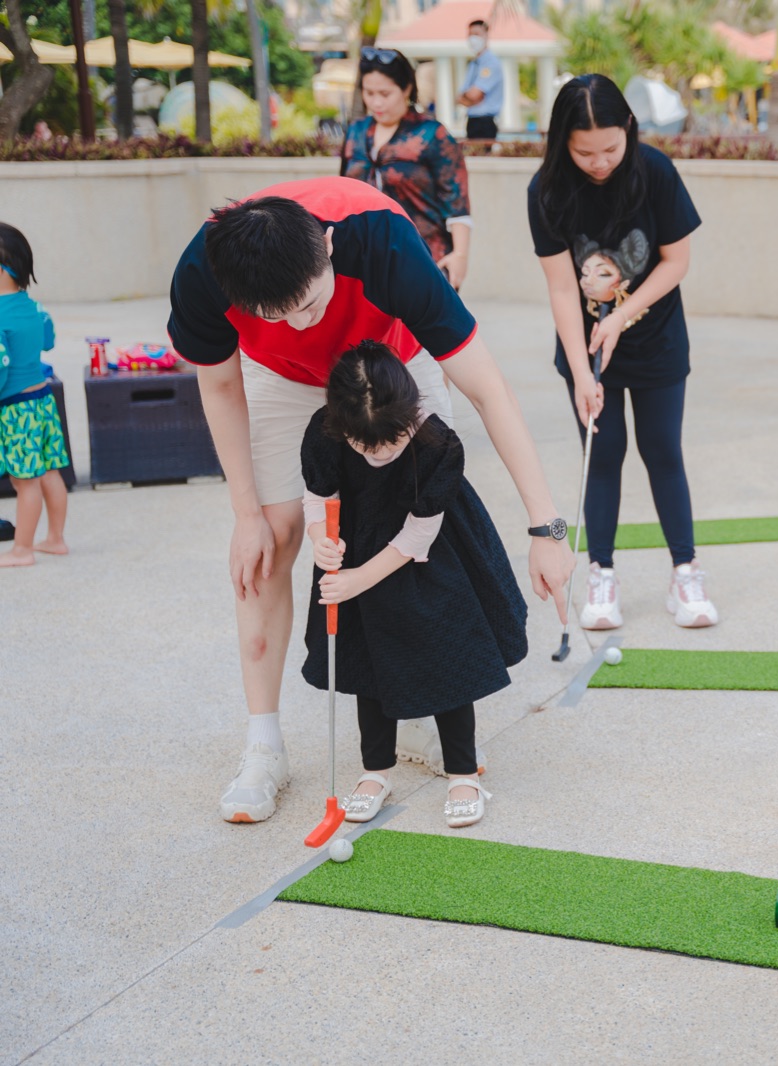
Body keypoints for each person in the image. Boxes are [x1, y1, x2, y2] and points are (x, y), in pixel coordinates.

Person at [168, 176, 574, 824]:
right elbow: (219, 390)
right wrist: (247, 515)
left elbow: (487, 388)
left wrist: (545, 526)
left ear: (329, 247)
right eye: (278, 314)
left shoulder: (383, 242)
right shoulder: (204, 272)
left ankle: (412, 709)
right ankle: (263, 744)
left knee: (422, 539)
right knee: (270, 541)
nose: (302, 322)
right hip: (282, 379)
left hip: (388, 366)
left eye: (308, 301)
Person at [303, 340, 522, 828]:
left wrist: (360, 579)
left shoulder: (437, 443)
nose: (378, 453)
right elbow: (318, 498)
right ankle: (375, 771)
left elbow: (420, 533)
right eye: (364, 445)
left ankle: (463, 771)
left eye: (389, 441)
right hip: (357, 541)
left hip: (427, 554)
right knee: (368, 661)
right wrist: (322, 541)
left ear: (411, 411)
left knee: (444, 657)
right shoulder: (324, 433)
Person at [527, 74, 718, 631]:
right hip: (586, 349)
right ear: (562, 141)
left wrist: (620, 317)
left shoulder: (653, 170)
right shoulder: (546, 191)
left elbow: (675, 262)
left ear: (629, 130)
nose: (600, 161)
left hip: (656, 342)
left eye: (611, 147)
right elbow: (563, 288)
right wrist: (583, 372)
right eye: (584, 151)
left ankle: (686, 573)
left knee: (663, 453)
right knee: (603, 457)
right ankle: (602, 575)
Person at [341, 48, 473, 289]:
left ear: (406, 89)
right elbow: (343, 192)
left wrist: (460, 257)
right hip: (366, 262)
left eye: (385, 93)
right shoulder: (356, 131)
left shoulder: (432, 134)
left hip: (424, 259)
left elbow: (457, 202)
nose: (376, 102)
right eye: (369, 93)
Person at [0, 223, 69, 569]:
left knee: (24, 482)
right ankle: (55, 539)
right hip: (42, 400)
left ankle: (22, 549)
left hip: (16, 411)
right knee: (48, 472)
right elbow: (48, 341)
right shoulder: (33, 307)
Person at [457, 18, 504, 141]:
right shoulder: (473, 64)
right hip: (472, 121)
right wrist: (468, 97)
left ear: (486, 35)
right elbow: (460, 98)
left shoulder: (491, 63)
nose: (473, 39)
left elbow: (474, 94)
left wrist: (469, 97)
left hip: (485, 123)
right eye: (470, 34)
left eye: (477, 34)